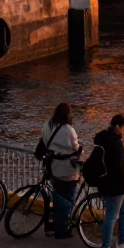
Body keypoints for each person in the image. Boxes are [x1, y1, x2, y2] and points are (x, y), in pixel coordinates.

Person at [93, 113, 124, 248]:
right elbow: (120, 167)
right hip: (115, 185)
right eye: (123, 127)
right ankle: (106, 246)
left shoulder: (104, 140)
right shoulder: (116, 144)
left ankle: (122, 241)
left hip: (107, 182)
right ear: (118, 126)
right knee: (111, 215)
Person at [41, 102, 82, 239]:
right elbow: (75, 147)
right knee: (67, 199)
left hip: (53, 167)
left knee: (57, 197)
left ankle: (53, 226)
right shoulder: (68, 130)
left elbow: (45, 141)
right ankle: (62, 230)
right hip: (67, 170)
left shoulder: (48, 124)